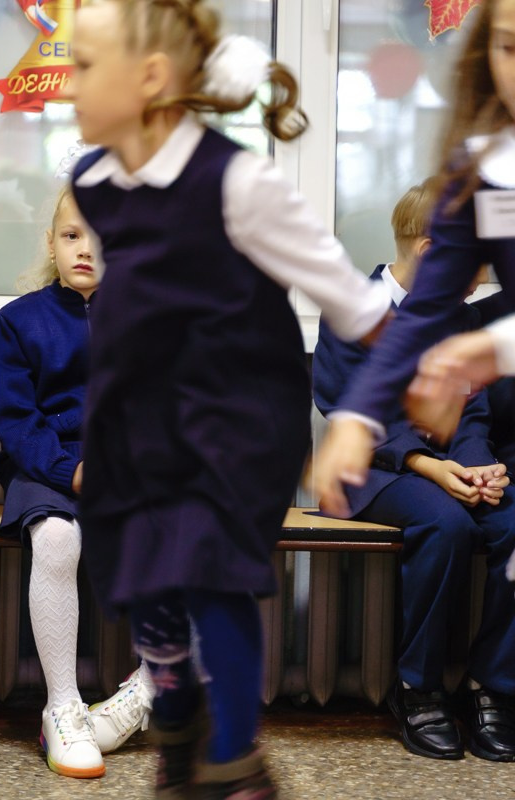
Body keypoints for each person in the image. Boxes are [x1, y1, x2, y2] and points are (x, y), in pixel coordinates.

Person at [64, 1, 393, 796]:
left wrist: (364, 415)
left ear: (149, 78)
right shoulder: (93, 180)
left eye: (81, 66)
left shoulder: (242, 184)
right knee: (145, 585)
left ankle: (238, 762)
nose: (66, 85)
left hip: (232, 427)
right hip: (136, 421)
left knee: (212, 574)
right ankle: (177, 710)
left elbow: (362, 309)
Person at [309, 0, 515, 763]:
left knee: (507, 518)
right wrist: (432, 464)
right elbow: (342, 402)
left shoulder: (461, 318)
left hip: (451, 467)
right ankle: (418, 686)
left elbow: (475, 403)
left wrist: (477, 462)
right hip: (378, 473)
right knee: (447, 523)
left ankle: (493, 686)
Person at [0, 185, 152, 779]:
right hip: (46, 466)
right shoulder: (16, 321)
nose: (85, 249)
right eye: (71, 234)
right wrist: (73, 470)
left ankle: (147, 690)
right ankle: (63, 708)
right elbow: (16, 421)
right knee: (57, 541)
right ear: (51, 242)